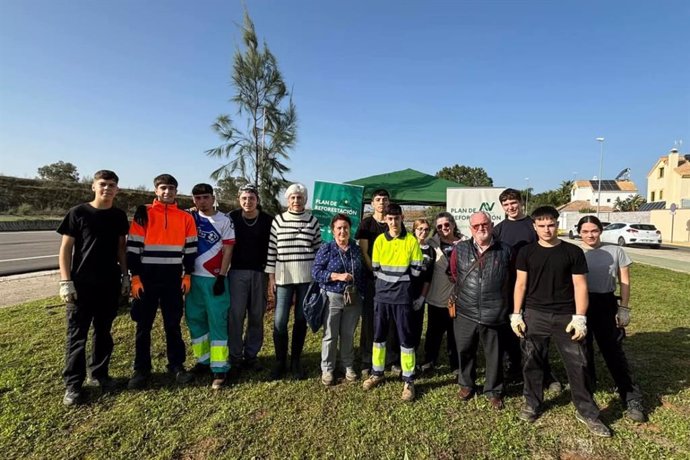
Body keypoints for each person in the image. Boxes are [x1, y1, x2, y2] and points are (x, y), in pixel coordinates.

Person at [511, 206, 611, 437]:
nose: (547, 229)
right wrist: (516, 313)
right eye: (542, 225)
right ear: (534, 226)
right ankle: (532, 403)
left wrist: (580, 317)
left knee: (579, 364)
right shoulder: (526, 252)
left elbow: (580, 286)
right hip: (534, 314)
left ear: (558, 224)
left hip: (566, 315)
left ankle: (587, 412)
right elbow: (520, 284)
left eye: (551, 225)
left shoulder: (572, 252)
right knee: (532, 362)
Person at [57, 170, 129, 406]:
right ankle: (73, 385)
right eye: (103, 184)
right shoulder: (78, 213)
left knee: (103, 333)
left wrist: (125, 277)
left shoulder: (119, 216)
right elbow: (66, 249)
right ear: (93, 186)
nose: (107, 188)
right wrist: (66, 281)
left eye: (112, 185)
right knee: (77, 335)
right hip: (82, 284)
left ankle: (99, 374)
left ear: (117, 190)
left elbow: (121, 249)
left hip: (108, 284)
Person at [126, 173, 198, 389]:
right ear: (156, 190)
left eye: (171, 188)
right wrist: (136, 277)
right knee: (143, 326)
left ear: (176, 191)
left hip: (173, 278)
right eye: (163, 188)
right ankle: (141, 370)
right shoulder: (143, 214)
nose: (167, 192)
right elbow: (133, 248)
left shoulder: (186, 218)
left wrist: (187, 274)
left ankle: (176, 365)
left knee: (173, 325)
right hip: (147, 278)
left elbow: (191, 249)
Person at [578, 215, 646, 422]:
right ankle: (588, 386)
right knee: (582, 348)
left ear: (600, 230)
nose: (590, 235)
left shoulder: (616, 251)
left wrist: (623, 308)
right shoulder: (574, 252)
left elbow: (624, 281)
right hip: (581, 304)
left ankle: (630, 396)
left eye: (594, 230)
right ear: (579, 232)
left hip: (606, 303)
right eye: (585, 231)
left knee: (613, 350)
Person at [493, 188, 560, 390]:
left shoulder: (533, 225)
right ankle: (512, 369)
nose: (510, 207)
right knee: (509, 332)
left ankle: (545, 373)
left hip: (533, 286)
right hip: (508, 287)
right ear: (502, 207)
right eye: (506, 205)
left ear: (521, 203)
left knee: (535, 333)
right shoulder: (499, 229)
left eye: (513, 203)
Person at [450, 212, 512, 410]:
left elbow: (511, 279)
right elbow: (454, 274)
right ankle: (466, 384)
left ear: (492, 225)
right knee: (464, 350)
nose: (481, 228)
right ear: (471, 229)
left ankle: (493, 390)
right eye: (476, 226)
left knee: (494, 354)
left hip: (494, 311)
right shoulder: (460, 249)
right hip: (465, 310)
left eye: (484, 224)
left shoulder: (505, 250)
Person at [362, 203, 423, 402]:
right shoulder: (379, 240)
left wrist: (399, 283)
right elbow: (376, 268)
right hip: (382, 296)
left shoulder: (411, 241)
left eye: (397, 218)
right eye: (390, 219)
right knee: (379, 337)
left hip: (402, 297)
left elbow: (416, 270)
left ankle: (408, 379)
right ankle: (377, 372)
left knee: (406, 339)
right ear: (386, 220)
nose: (394, 222)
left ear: (402, 218)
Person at [266, 183, 321, 380]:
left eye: (300, 198)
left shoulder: (312, 221)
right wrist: (271, 277)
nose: (296, 201)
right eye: (292, 198)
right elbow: (272, 250)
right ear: (287, 200)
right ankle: (280, 361)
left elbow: (317, 250)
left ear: (305, 200)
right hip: (283, 277)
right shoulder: (278, 220)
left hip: (306, 278)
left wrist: (317, 277)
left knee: (300, 320)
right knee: (280, 321)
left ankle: (296, 361)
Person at [184, 183, 235, 390]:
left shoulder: (224, 220)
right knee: (194, 319)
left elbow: (228, 249)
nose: (201, 202)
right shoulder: (189, 217)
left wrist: (222, 276)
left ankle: (220, 367)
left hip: (214, 279)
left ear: (213, 198)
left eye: (205, 197)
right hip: (192, 279)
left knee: (217, 322)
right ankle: (203, 360)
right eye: (197, 198)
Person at [312, 214, 366, 385]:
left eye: (345, 228)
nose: (343, 231)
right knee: (330, 335)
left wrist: (362, 294)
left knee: (348, 334)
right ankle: (327, 368)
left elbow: (362, 273)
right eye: (339, 228)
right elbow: (316, 273)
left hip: (353, 298)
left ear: (350, 230)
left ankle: (347, 365)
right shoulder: (326, 249)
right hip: (333, 297)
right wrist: (336, 276)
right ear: (333, 230)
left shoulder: (356, 249)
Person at [227, 184, 273, 373]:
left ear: (257, 201)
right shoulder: (232, 218)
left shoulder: (267, 220)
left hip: (259, 273)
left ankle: (251, 355)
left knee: (256, 316)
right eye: (244, 198)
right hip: (237, 272)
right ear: (239, 200)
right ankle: (235, 356)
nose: (248, 202)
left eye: (251, 198)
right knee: (236, 315)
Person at [355, 189, 395, 378]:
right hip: (372, 278)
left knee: (390, 319)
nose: (381, 202)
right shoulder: (366, 224)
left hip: (392, 280)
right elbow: (363, 252)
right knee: (370, 320)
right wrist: (376, 271)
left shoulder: (393, 222)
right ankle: (366, 359)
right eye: (378, 200)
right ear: (372, 203)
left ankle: (391, 358)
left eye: (384, 199)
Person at [420, 212, 464, 374]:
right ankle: (429, 360)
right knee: (433, 333)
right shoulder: (431, 243)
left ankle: (456, 364)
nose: (443, 228)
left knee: (455, 334)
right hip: (436, 297)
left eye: (446, 224)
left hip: (457, 297)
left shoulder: (465, 242)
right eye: (439, 226)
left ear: (453, 224)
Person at [410, 219, 434, 351]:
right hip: (405, 291)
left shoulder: (431, 251)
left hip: (420, 293)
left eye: (426, 229)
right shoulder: (407, 245)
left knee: (416, 326)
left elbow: (428, 277)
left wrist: (422, 298)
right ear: (414, 230)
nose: (423, 232)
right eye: (420, 229)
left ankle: (413, 354)